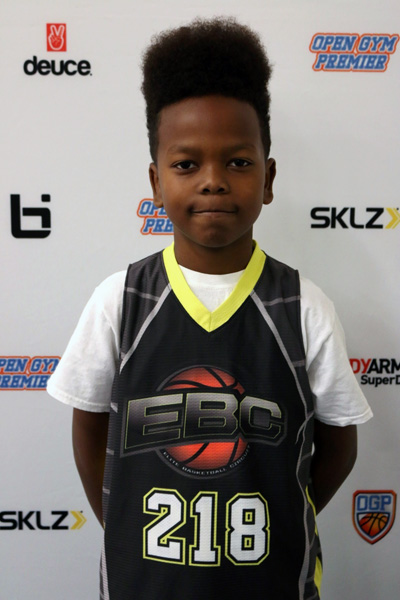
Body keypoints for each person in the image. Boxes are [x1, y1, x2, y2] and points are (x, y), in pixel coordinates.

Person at [47, 17, 372, 600]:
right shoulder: (120, 301)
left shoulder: (303, 307)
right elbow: (90, 428)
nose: (213, 182)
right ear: (156, 182)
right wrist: (123, 523)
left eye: (239, 162)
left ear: (269, 178)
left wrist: (280, 512)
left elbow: (339, 444)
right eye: (186, 164)